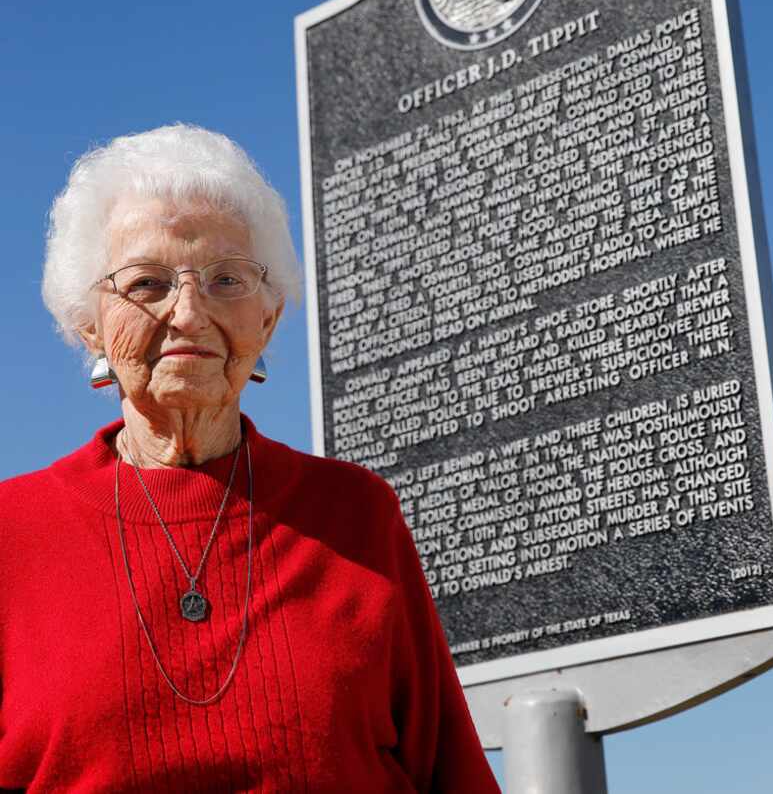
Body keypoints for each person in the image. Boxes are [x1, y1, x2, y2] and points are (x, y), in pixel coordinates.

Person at [0, 125, 499, 793]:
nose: (189, 312)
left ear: (266, 318)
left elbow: (450, 770)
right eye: (147, 283)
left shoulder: (356, 515)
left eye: (226, 279)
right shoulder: (13, 532)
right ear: (89, 321)